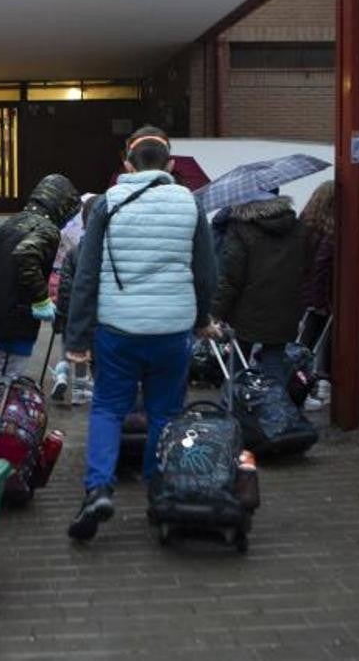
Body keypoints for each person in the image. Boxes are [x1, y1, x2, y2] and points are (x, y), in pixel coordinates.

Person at [64, 126, 216, 542]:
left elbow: (87, 275)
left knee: (108, 408)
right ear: (169, 166)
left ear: (127, 165)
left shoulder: (108, 204)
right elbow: (205, 272)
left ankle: (98, 488)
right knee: (165, 413)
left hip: (119, 329)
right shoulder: (188, 203)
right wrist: (202, 318)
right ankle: (158, 490)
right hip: (173, 329)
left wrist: (76, 338)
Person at [209, 186, 308, 389]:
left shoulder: (240, 227)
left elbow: (231, 277)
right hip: (285, 308)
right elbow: (305, 266)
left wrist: (215, 313)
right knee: (274, 363)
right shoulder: (296, 225)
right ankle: (274, 412)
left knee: (238, 363)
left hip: (247, 310)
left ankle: (235, 408)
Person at [0, 174, 81, 377]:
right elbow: (26, 256)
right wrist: (41, 299)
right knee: (7, 382)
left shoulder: (13, 222)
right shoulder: (46, 229)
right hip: (16, 320)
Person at [51, 194, 97, 404]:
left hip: (71, 312)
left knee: (68, 348)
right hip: (95, 314)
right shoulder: (104, 252)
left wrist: (60, 314)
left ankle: (61, 375)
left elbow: (65, 286)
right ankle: (80, 391)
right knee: (85, 355)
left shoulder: (74, 252)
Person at [299, 180, 336, 411]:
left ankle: (305, 384)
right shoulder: (330, 230)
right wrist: (321, 300)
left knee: (305, 342)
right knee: (314, 341)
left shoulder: (304, 224)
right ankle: (313, 385)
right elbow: (323, 265)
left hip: (302, 292)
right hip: (319, 295)